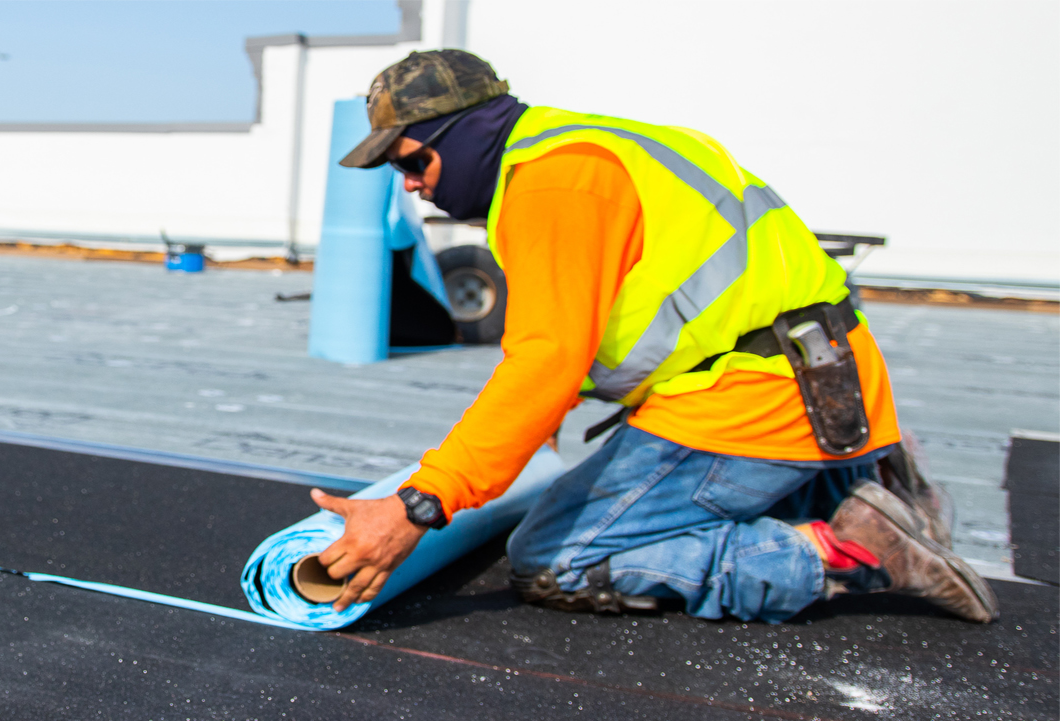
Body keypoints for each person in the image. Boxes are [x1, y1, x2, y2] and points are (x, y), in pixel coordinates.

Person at [308, 50, 996, 624]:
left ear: (460, 137)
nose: (412, 187)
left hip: (746, 403)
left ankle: (848, 550)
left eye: (412, 163)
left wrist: (419, 505)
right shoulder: (594, 146)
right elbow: (643, 304)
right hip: (828, 381)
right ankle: (871, 488)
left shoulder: (548, 186)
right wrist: (558, 404)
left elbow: (543, 358)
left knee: (554, 558)